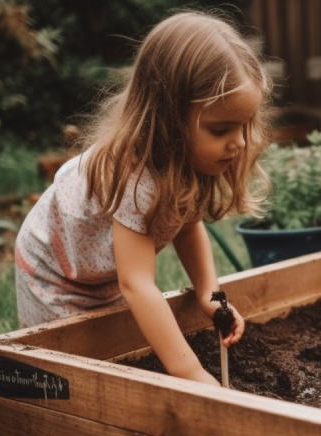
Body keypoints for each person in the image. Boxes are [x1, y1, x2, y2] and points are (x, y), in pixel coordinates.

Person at [14, 11, 272, 385]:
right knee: (66, 376)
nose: (240, 142)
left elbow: (188, 225)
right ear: (169, 118)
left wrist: (210, 295)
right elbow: (137, 284)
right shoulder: (137, 175)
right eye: (221, 129)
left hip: (104, 274)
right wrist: (191, 374)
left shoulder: (191, 158)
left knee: (119, 356)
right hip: (54, 275)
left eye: (244, 126)